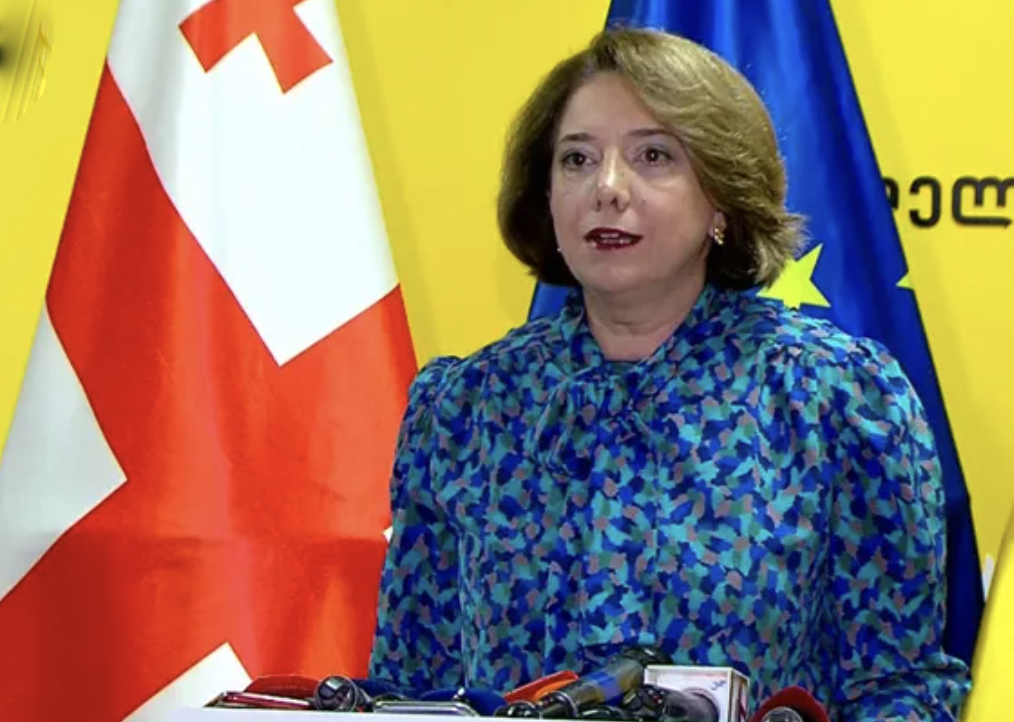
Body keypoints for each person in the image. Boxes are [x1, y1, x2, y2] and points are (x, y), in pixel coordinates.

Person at [368, 25, 972, 722]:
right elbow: (409, 687)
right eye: (576, 159)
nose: (607, 188)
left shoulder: (835, 400)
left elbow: (898, 689)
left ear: (720, 198)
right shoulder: (465, 409)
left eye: (652, 156)